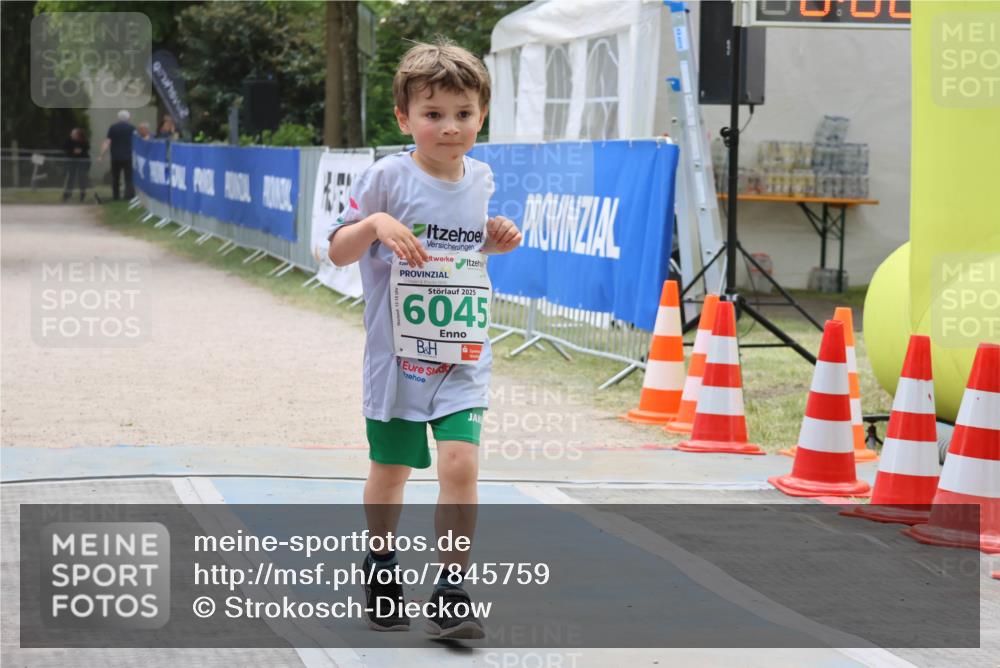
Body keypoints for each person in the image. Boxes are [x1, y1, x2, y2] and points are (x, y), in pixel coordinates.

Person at [326, 40, 521, 640]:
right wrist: (375, 223)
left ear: (482, 116)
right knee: (391, 471)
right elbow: (337, 250)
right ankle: (381, 564)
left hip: (462, 353)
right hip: (398, 361)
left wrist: (492, 242)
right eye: (433, 114)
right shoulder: (388, 176)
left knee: (461, 463)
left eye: (463, 113)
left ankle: (451, 591)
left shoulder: (481, 178)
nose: (450, 127)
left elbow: (457, 253)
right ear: (404, 118)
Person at [98, 110, 135, 200]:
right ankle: (128, 196)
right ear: (128, 118)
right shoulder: (132, 128)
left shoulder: (113, 128)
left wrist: (101, 155)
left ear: (118, 118)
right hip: (128, 157)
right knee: (128, 178)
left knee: (115, 178)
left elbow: (107, 141)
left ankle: (116, 196)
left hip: (115, 157)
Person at [61, 127, 90, 203]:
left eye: (74, 134)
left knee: (81, 177)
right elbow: (64, 147)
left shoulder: (83, 141)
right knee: (71, 178)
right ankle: (67, 195)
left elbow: (86, 148)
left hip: (82, 162)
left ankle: (82, 194)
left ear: (78, 135)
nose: (72, 135)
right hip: (72, 162)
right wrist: (72, 151)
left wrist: (80, 151)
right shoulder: (69, 141)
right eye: (72, 134)